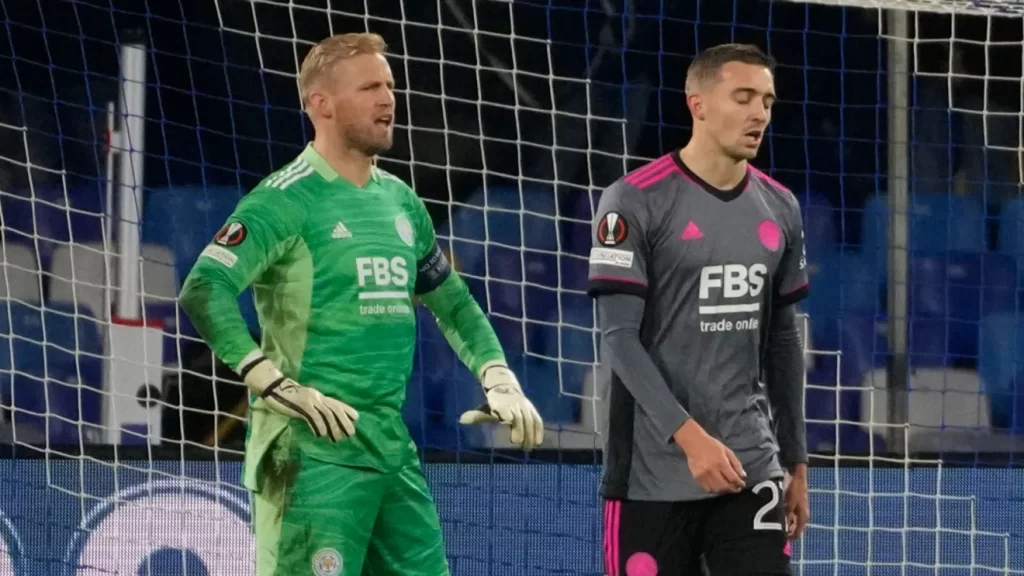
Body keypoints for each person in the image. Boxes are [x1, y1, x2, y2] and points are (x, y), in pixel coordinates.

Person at [178, 32, 544, 576]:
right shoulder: (283, 198)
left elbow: (455, 304)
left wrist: (498, 377)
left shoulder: (401, 201)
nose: (388, 99)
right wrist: (269, 380)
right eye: (370, 87)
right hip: (310, 454)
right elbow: (204, 287)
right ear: (320, 104)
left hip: (390, 449)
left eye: (389, 86)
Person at [588, 43, 811, 575]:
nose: (759, 113)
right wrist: (691, 440)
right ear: (698, 104)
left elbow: (782, 340)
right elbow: (619, 338)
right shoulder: (632, 200)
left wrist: (796, 461)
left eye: (767, 101)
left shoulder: (780, 207)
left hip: (750, 468)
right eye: (743, 97)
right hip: (651, 476)